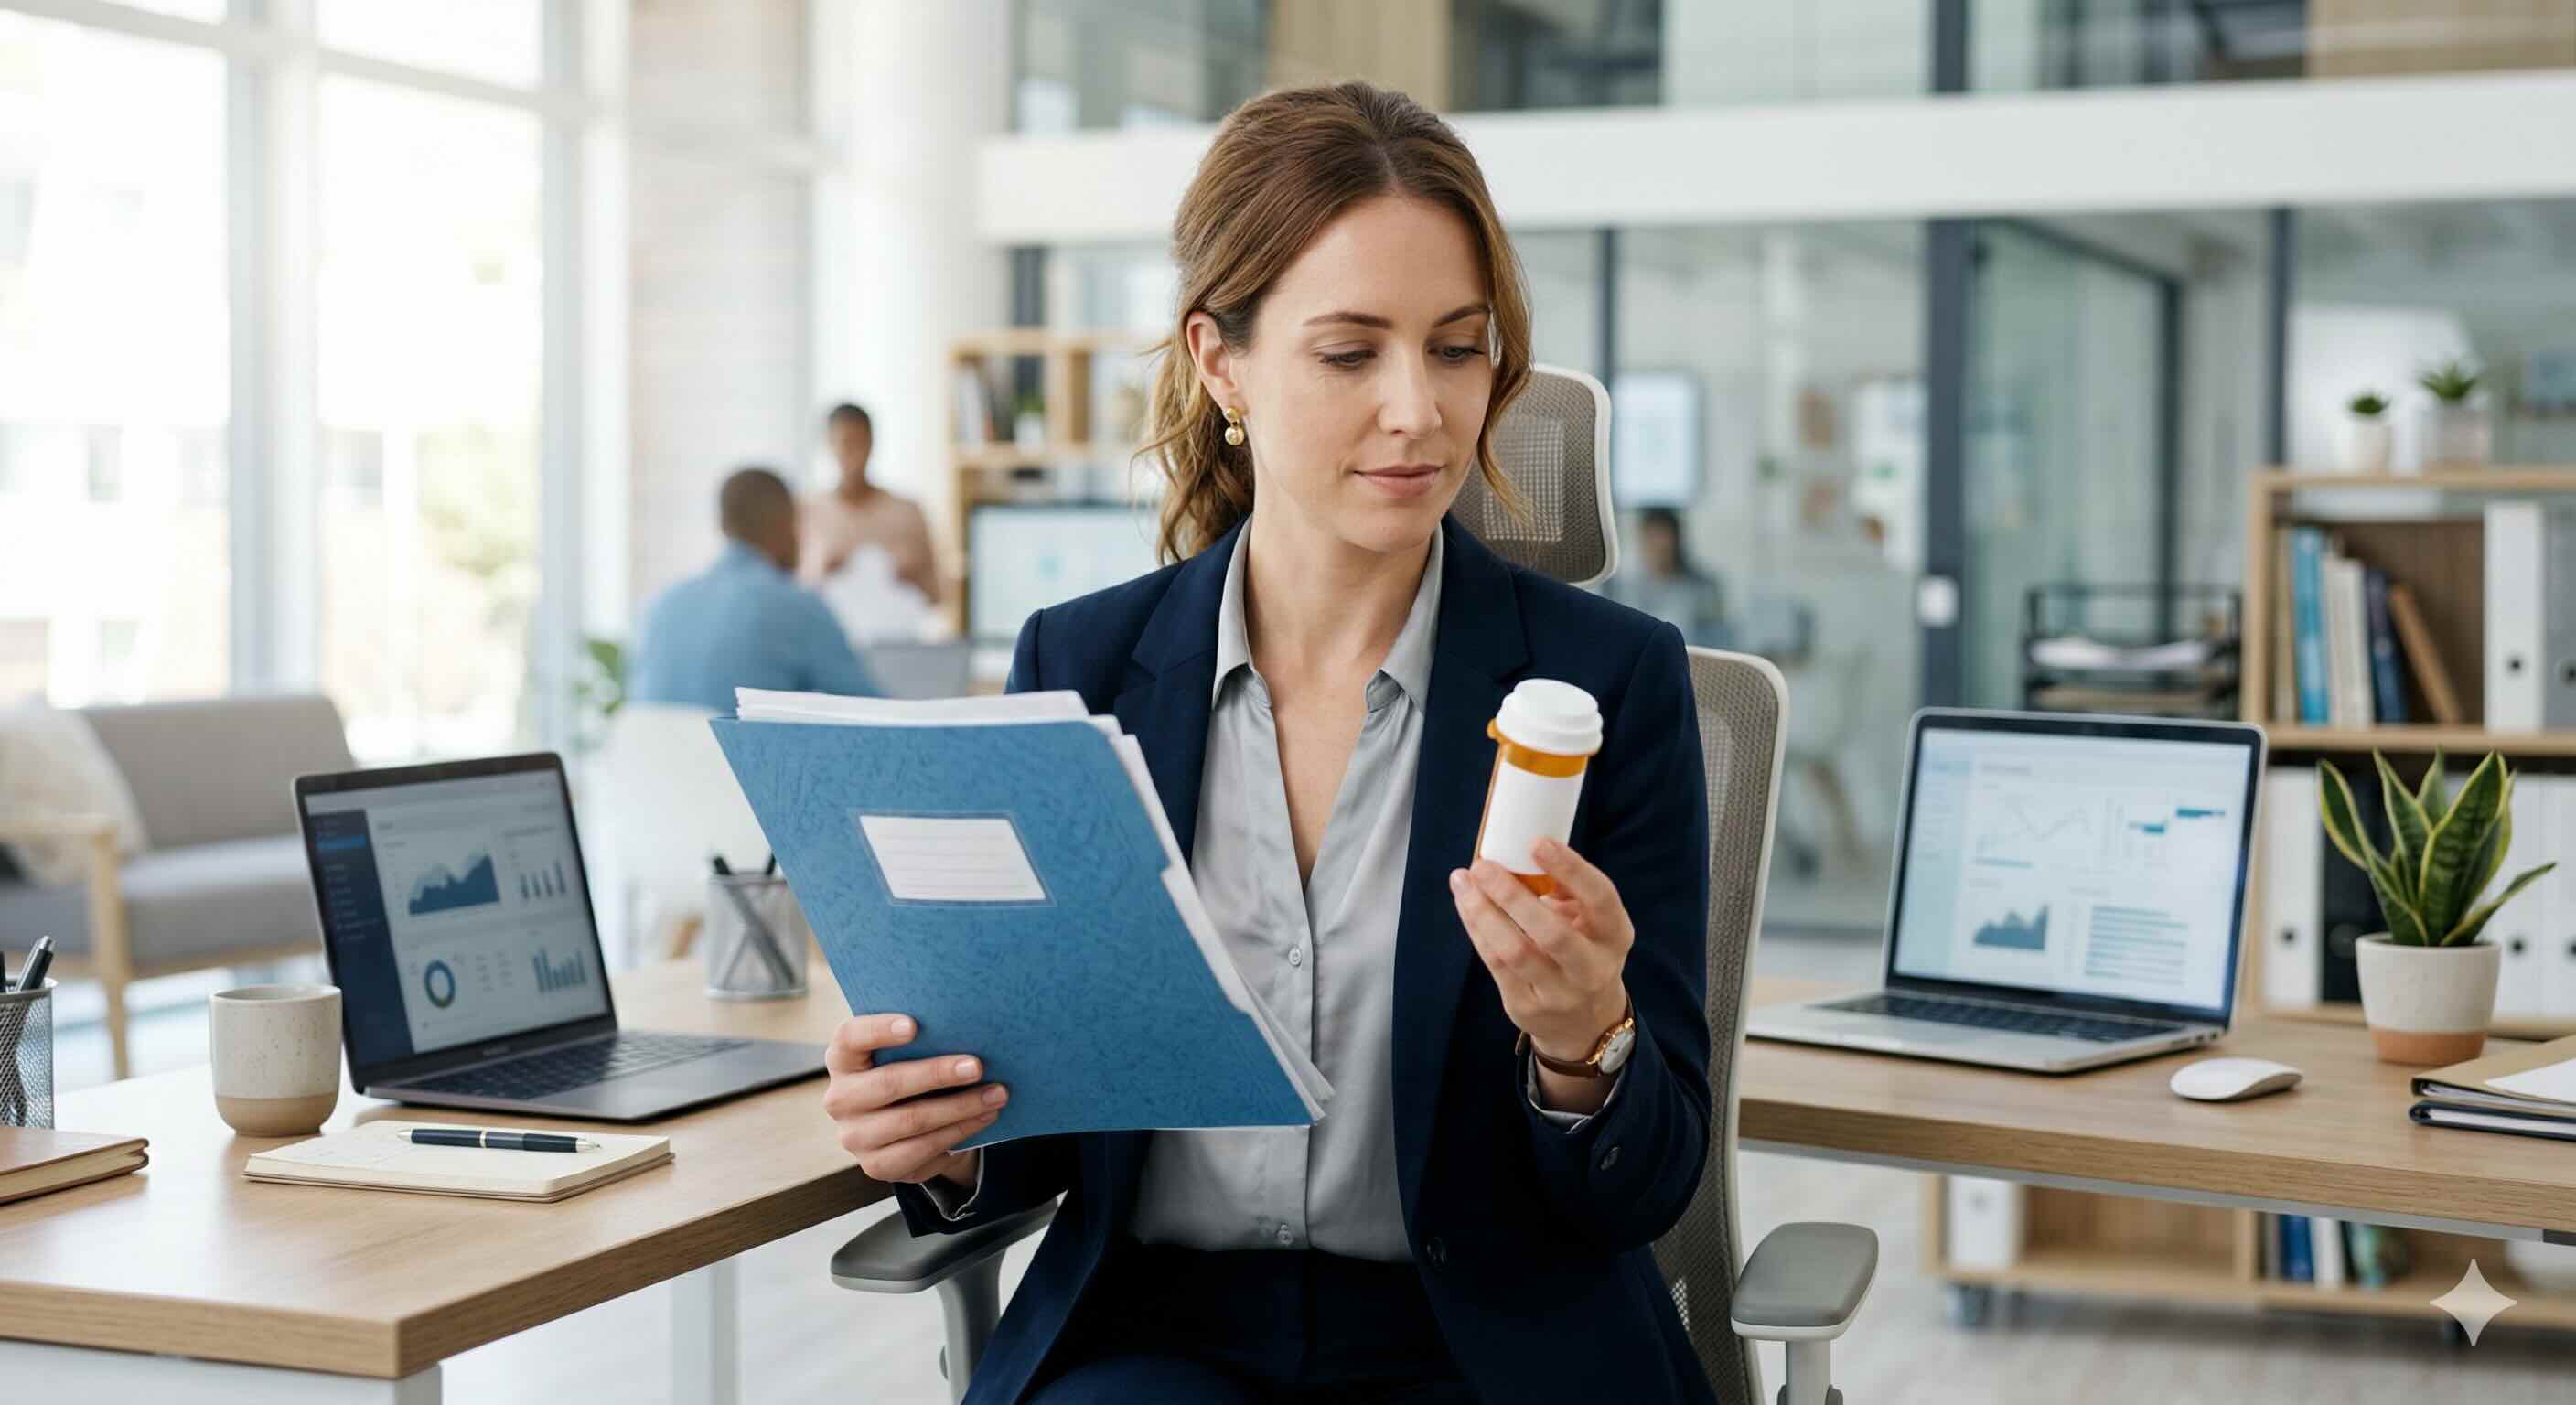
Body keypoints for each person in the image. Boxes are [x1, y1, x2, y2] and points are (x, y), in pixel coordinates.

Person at [821, 83, 1712, 1404]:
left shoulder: (1607, 683)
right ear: (1221, 361)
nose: (1419, 410)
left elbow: (1647, 1177)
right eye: (1351, 353)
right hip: (1159, 1333)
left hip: (1481, 1342)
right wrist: (937, 1139)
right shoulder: (1081, 669)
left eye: (1456, 349)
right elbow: (1040, 1121)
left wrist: (1588, 1052)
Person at [629, 467, 879, 712]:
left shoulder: (660, 605)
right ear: (785, 524)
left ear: (723, 524)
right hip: (738, 754)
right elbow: (876, 712)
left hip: (659, 754)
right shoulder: (796, 607)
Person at [800, 402, 942, 605]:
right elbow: (793, 593)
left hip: (894, 632)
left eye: (861, 442)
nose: (855, 454)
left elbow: (937, 595)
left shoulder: (908, 512)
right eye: (846, 443)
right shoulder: (808, 512)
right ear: (830, 445)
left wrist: (912, 579)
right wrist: (822, 572)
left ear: (872, 443)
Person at [1605, 506, 1729, 647]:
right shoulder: (1625, 590)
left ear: (1677, 542)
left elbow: (1719, 641)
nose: (1657, 547)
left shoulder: (1703, 589)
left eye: (1662, 541)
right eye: (1651, 540)